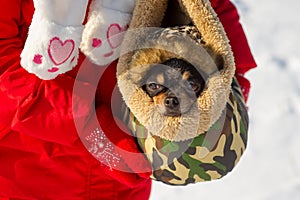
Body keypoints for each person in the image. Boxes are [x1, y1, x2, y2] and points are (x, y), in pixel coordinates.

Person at [0, 0, 256, 199]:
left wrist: (231, 91)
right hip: (24, 174)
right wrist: (97, 133)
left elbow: (209, 13)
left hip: (121, 183)